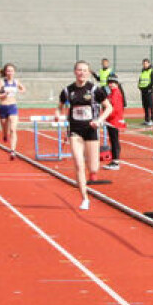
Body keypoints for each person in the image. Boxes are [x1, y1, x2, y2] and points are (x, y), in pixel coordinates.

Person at [57, 60, 111, 211]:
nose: (82, 73)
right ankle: (85, 198)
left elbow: (108, 107)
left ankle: (91, 164)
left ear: (88, 72)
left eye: (85, 70)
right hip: (75, 131)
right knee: (78, 165)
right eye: (79, 70)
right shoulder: (68, 91)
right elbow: (59, 107)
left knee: (93, 168)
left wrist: (99, 120)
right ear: (75, 72)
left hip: (91, 130)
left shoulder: (95, 90)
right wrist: (58, 115)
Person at [0, 63, 25, 160]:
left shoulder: (16, 81)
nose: (10, 73)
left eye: (11, 71)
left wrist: (20, 91)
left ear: (14, 72)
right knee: (5, 129)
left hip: (13, 106)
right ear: (5, 72)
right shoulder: (2, 82)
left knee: (13, 129)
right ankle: (4, 134)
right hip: (3, 107)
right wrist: (2, 95)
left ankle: (12, 150)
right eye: (8, 71)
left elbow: (23, 89)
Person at [103, 74, 126, 171]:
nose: (111, 84)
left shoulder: (116, 93)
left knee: (114, 141)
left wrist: (106, 117)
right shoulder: (111, 94)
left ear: (116, 83)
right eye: (109, 83)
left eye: (113, 83)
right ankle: (114, 160)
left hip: (114, 121)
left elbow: (115, 109)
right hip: (110, 120)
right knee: (112, 140)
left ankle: (116, 161)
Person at [138, 58, 153, 126]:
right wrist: (139, 86)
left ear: (149, 63)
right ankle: (147, 120)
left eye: (146, 63)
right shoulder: (143, 71)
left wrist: (147, 87)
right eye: (143, 64)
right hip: (143, 91)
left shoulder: (152, 71)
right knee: (145, 106)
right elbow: (140, 79)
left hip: (149, 91)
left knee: (151, 106)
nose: (144, 65)